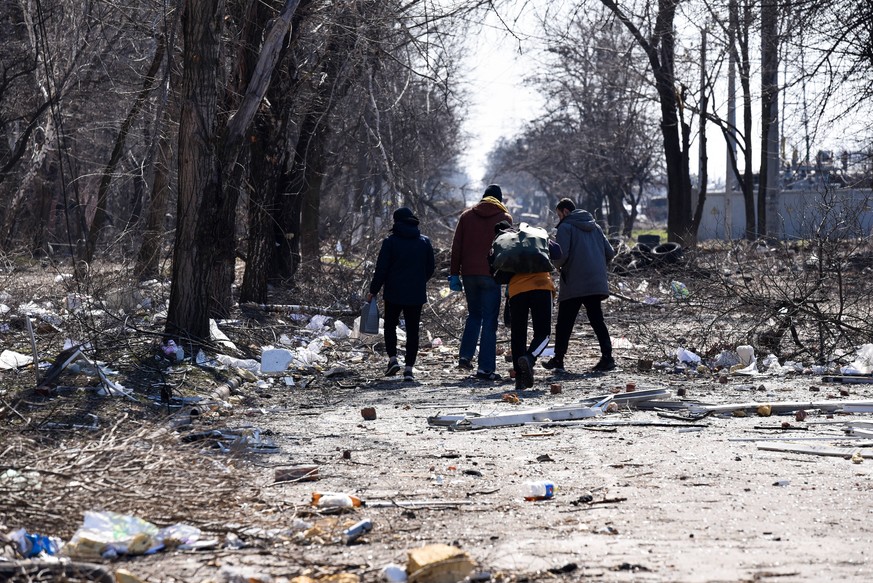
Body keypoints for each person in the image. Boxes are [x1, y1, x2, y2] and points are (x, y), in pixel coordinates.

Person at [544, 198, 617, 373]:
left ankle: (558, 359)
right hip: (595, 282)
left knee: (564, 322)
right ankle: (608, 358)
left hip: (574, 282)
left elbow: (561, 256)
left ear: (565, 212)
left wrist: (556, 265)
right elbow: (610, 252)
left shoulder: (565, 227)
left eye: (559, 214)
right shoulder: (596, 227)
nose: (558, 217)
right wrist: (596, 265)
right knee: (597, 320)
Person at [449, 184, 512, 381]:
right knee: (490, 321)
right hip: (491, 276)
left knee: (474, 315)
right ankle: (485, 369)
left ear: (483, 198)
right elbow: (508, 250)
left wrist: (454, 274)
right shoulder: (505, 218)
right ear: (500, 200)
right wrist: (510, 278)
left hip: (469, 274)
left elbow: (456, 246)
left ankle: (465, 356)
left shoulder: (467, 216)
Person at [491, 221, 561, 391]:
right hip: (541, 286)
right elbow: (558, 251)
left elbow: (493, 265)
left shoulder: (506, 242)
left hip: (516, 290)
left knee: (518, 334)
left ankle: (520, 379)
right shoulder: (536, 237)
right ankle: (529, 359)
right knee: (543, 333)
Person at [367, 207, 435, 382]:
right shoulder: (424, 242)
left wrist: (373, 290)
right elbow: (430, 268)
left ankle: (393, 359)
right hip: (416, 293)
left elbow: (381, 269)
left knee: (390, 326)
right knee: (413, 331)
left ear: (396, 222)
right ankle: (409, 369)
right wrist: (419, 281)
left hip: (393, 292)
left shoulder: (390, 242)